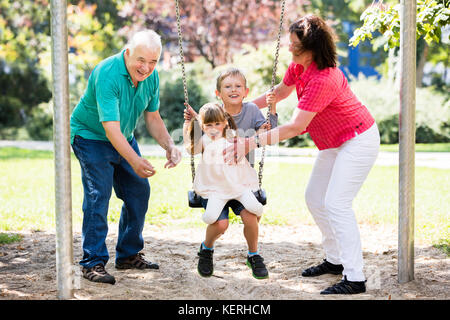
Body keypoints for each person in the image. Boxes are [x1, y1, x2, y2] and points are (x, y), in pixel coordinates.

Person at [224, 14, 380, 294]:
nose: (290, 49)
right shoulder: (299, 67)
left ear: (313, 47)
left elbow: (296, 126)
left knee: (336, 203)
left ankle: (355, 277)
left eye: (295, 45)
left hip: (358, 139)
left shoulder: (324, 78)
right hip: (334, 141)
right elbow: (280, 92)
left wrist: (249, 142)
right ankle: (334, 260)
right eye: (291, 43)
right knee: (315, 198)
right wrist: (237, 107)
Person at [70, 30, 182, 285]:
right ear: (127, 52)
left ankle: (128, 255)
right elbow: (110, 128)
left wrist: (169, 146)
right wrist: (134, 160)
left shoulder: (151, 78)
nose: (146, 67)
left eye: (153, 62)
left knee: (138, 191)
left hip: (123, 136)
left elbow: (152, 117)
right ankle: (93, 261)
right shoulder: (107, 73)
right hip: (91, 137)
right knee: (98, 195)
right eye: (142, 60)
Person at [183, 68, 278, 279]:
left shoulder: (252, 110)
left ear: (246, 91)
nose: (233, 90)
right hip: (215, 183)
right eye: (227, 86)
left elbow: (268, 133)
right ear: (218, 92)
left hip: (241, 179)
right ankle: (206, 248)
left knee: (251, 217)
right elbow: (202, 131)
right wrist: (190, 121)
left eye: (237, 86)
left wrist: (272, 108)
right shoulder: (212, 112)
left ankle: (253, 254)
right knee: (220, 224)